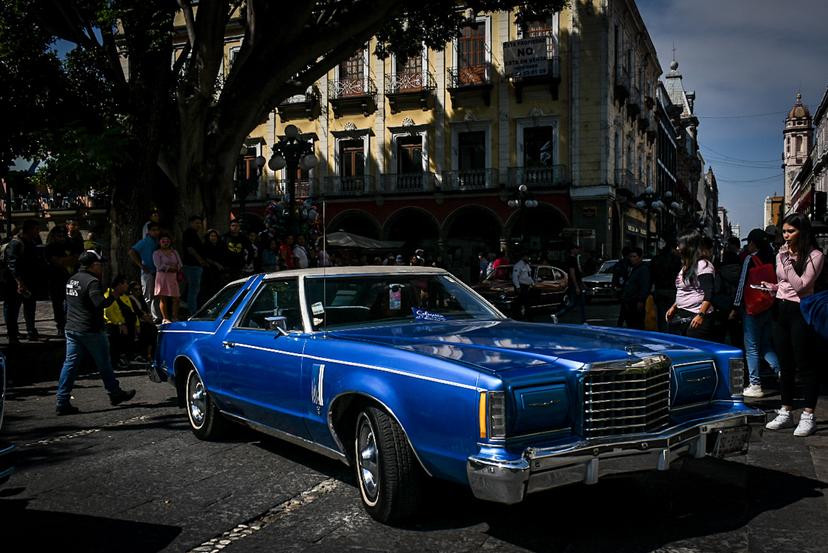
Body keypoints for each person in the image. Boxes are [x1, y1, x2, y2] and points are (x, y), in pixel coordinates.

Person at [764, 213, 826, 437]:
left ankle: (808, 415)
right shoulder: (782, 254)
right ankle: (786, 410)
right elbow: (784, 282)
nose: (786, 236)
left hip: (802, 310)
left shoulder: (815, 256)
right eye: (784, 232)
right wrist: (772, 287)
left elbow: (801, 286)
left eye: (790, 231)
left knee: (805, 363)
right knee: (785, 363)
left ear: (803, 232)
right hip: (780, 309)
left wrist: (786, 263)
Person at [55, 250, 136, 415]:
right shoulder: (92, 282)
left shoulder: (72, 279)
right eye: (100, 264)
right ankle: (114, 393)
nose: (102, 268)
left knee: (70, 365)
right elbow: (100, 304)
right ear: (93, 265)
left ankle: (62, 400)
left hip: (72, 328)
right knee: (104, 363)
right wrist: (114, 294)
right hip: (90, 329)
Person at [731, 228, 780, 398]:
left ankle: (755, 384)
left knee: (751, 347)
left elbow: (742, 283)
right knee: (766, 345)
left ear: (752, 243)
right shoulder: (773, 257)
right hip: (768, 306)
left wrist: (735, 307)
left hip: (751, 308)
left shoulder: (749, 259)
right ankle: (781, 372)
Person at [666, 231, 715, 340]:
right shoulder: (686, 265)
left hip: (696, 317)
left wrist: (701, 315)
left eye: (680, 245)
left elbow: (709, 293)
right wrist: (674, 307)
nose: (678, 248)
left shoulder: (703, 265)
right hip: (682, 314)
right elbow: (684, 290)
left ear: (689, 246)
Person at [2, 219, 41, 342]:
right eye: (35, 229)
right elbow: (12, 265)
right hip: (14, 283)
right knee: (12, 308)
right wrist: (19, 282)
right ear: (28, 230)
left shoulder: (31, 242)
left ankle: (31, 331)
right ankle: (12, 334)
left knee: (30, 306)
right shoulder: (16, 243)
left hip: (29, 281)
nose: (38, 232)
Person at [44, 226, 77, 337]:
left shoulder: (70, 246)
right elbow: (57, 262)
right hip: (56, 280)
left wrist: (66, 260)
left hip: (71, 279)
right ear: (54, 236)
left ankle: (69, 324)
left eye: (63, 236)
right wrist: (69, 260)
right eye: (59, 236)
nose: (62, 238)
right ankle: (61, 326)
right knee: (57, 304)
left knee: (71, 303)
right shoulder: (50, 248)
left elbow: (77, 259)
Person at [129, 222, 161, 323]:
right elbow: (131, 252)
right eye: (153, 230)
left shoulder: (158, 241)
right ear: (149, 231)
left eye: (157, 230)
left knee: (157, 296)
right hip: (148, 273)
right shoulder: (145, 241)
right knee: (148, 296)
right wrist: (141, 265)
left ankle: (156, 316)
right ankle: (145, 316)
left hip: (158, 273)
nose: (156, 232)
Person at [103, 275, 138, 370]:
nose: (127, 286)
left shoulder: (123, 297)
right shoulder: (109, 295)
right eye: (125, 283)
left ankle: (125, 357)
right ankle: (116, 361)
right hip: (112, 325)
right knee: (116, 335)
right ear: (119, 285)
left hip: (124, 324)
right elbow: (108, 312)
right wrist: (120, 323)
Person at [649, 240, 682, 332]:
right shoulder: (677, 260)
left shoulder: (656, 259)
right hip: (673, 290)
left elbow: (651, 276)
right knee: (674, 315)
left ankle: (663, 333)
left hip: (660, 290)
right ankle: (672, 333)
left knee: (661, 315)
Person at [153, 232, 183, 324]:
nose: (165, 243)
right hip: (162, 278)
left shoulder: (174, 252)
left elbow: (180, 263)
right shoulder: (156, 253)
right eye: (163, 241)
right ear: (159, 242)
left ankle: (175, 317)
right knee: (163, 298)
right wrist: (170, 268)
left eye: (167, 241)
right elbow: (158, 265)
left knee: (176, 298)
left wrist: (176, 268)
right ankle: (165, 318)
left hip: (173, 277)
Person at [181, 216, 209, 314]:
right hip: (192, 265)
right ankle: (192, 311)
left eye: (200, 223)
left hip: (196, 266)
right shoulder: (189, 233)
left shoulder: (195, 234)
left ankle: (191, 308)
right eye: (197, 223)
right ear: (190, 223)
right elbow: (190, 249)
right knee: (193, 290)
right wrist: (200, 260)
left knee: (193, 289)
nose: (199, 225)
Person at [620, 247, 650, 330]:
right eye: (631, 256)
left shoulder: (643, 269)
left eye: (634, 256)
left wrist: (641, 300)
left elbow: (645, 286)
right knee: (631, 323)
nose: (632, 259)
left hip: (636, 301)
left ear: (640, 257)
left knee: (637, 323)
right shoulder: (632, 268)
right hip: (629, 300)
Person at [558, 244, 586, 323]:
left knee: (578, 303)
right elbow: (572, 273)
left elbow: (577, 273)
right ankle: (558, 315)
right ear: (572, 250)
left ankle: (583, 320)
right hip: (575, 284)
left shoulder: (574, 259)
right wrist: (576, 286)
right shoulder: (571, 259)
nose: (578, 250)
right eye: (576, 249)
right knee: (574, 303)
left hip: (577, 283)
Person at [511, 250, 534, 320]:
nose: (529, 258)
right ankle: (529, 319)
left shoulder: (527, 265)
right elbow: (515, 277)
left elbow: (528, 276)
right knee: (525, 303)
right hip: (521, 287)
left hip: (527, 287)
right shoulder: (518, 265)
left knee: (520, 303)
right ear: (524, 257)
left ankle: (517, 317)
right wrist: (518, 287)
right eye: (527, 257)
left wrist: (532, 283)